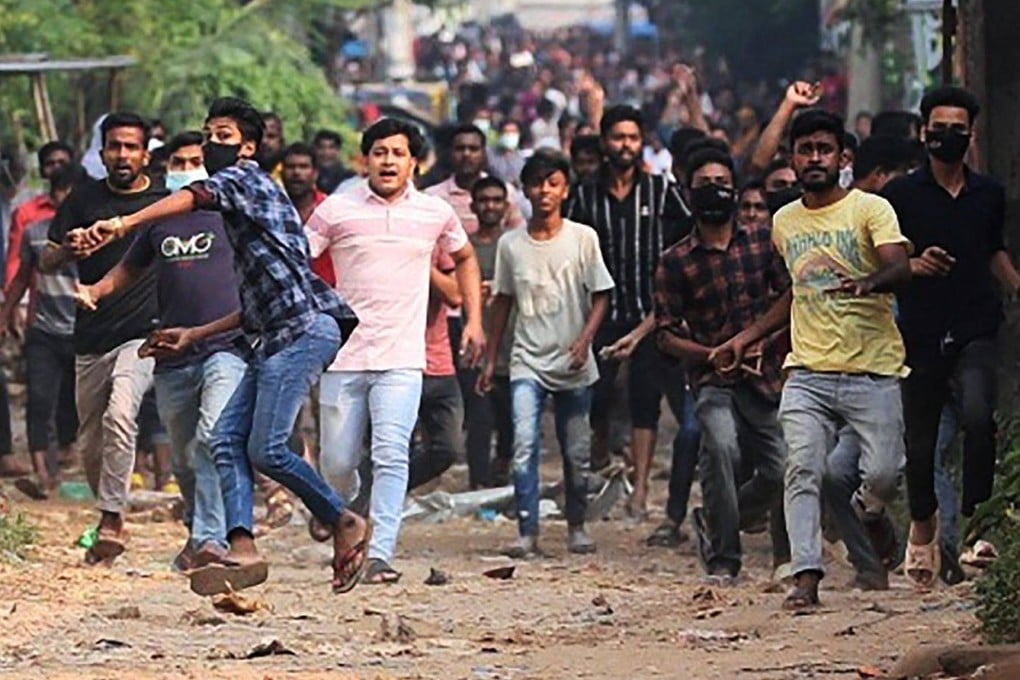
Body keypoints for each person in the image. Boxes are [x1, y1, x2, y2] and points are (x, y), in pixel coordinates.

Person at [71, 96, 369, 596]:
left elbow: (197, 195)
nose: (211, 144)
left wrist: (122, 224)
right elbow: (254, 309)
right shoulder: (244, 217)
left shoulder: (246, 180)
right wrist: (194, 334)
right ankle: (242, 547)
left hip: (303, 331)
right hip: (270, 336)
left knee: (267, 447)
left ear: (249, 148)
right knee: (225, 440)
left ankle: (342, 520)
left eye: (223, 136)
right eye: (208, 133)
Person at [713, 110, 911, 610]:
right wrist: (749, 336)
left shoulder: (871, 210)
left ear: (843, 158)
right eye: (806, 150)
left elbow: (899, 265)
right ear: (792, 158)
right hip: (808, 372)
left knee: (883, 475)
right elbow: (796, 293)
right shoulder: (784, 221)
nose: (815, 158)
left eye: (825, 150)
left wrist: (871, 282)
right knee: (801, 467)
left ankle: (871, 514)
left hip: (874, 368)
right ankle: (806, 574)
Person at [305, 118, 484, 583]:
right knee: (338, 464)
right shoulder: (336, 211)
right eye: (379, 152)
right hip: (343, 357)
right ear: (365, 160)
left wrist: (475, 323)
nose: (388, 161)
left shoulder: (434, 213)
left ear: (414, 163)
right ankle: (350, 504)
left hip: (403, 359)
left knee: (392, 453)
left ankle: (380, 554)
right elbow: (298, 259)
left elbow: (465, 258)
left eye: (397, 153)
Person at [72, 131, 245, 571]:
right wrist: (95, 290)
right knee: (185, 458)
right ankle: (197, 530)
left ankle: (211, 538)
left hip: (223, 346)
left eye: (194, 160)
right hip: (171, 354)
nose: (187, 169)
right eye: (178, 162)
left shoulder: (230, 214)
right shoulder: (158, 224)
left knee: (211, 438)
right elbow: (126, 270)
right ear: (164, 170)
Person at [884, 85, 1020, 588]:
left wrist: (1016, 285)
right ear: (924, 133)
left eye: (957, 130)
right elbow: (887, 260)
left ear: (971, 134)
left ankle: (977, 532)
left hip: (976, 325)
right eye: (938, 129)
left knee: (981, 418)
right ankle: (922, 527)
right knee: (920, 446)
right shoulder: (899, 196)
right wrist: (914, 265)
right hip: (920, 331)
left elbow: (994, 251)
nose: (947, 137)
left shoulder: (989, 194)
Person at [654, 147, 789, 581]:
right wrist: (710, 354)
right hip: (711, 379)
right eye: (704, 185)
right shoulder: (675, 260)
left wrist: (755, 343)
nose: (714, 192)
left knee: (782, 467)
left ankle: (717, 521)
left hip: (763, 374)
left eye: (722, 184)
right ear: (689, 194)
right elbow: (665, 332)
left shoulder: (762, 244)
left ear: (735, 190)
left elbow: (789, 297)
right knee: (722, 449)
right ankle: (725, 558)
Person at [41, 112, 167, 564]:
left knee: (120, 413)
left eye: (131, 147)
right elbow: (48, 262)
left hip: (143, 334)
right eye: (115, 146)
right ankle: (107, 508)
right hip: (91, 336)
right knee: (91, 446)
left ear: (145, 153)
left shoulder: (162, 200)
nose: (122, 155)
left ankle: (112, 520)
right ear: (102, 152)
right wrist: (69, 249)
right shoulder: (84, 198)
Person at [478, 150, 614, 558]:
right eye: (536, 183)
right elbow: (502, 302)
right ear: (525, 189)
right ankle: (527, 531)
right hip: (526, 358)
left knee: (576, 450)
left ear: (565, 189)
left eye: (552, 183)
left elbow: (602, 295)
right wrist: (490, 359)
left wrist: (585, 340)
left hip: (573, 359)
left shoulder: (582, 238)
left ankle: (577, 525)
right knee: (523, 444)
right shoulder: (511, 245)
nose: (544, 191)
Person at [565, 104, 692, 518]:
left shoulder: (660, 190)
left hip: (650, 312)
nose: (625, 145)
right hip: (597, 314)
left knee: (645, 401)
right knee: (595, 399)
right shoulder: (583, 195)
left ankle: (639, 491)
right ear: (604, 142)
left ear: (642, 143)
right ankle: (601, 463)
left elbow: (688, 238)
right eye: (617, 137)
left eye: (632, 138)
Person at [0, 163, 83, 493]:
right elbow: (22, 278)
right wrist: (6, 315)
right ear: (55, 195)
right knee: (40, 399)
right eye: (65, 192)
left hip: (85, 330)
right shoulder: (36, 233)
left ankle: (70, 458)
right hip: (44, 330)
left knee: (74, 403)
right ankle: (41, 474)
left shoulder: (101, 234)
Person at [465, 176, 515, 488]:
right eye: (484, 200)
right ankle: (478, 483)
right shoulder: (464, 249)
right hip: (476, 349)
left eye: (497, 200)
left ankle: (504, 469)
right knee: (479, 421)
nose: (490, 206)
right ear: (473, 206)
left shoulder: (516, 245)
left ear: (507, 206)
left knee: (510, 421)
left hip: (514, 345)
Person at [6, 141, 73, 289]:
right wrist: (15, 305)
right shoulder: (25, 213)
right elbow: (15, 260)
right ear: (42, 171)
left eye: (62, 162)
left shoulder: (90, 209)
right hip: (40, 299)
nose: (57, 167)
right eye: (51, 163)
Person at [312, 129, 354, 195]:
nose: (326, 152)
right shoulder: (307, 177)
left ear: (338, 150)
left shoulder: (349, 178)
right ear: (315, 149)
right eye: (321, 147)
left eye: (331, 147)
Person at [487, 120, 525, 189]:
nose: (510, 135)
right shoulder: (488, 154)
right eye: (506, 132)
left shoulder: (522, 158)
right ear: (499, 134)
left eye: (513, 132)